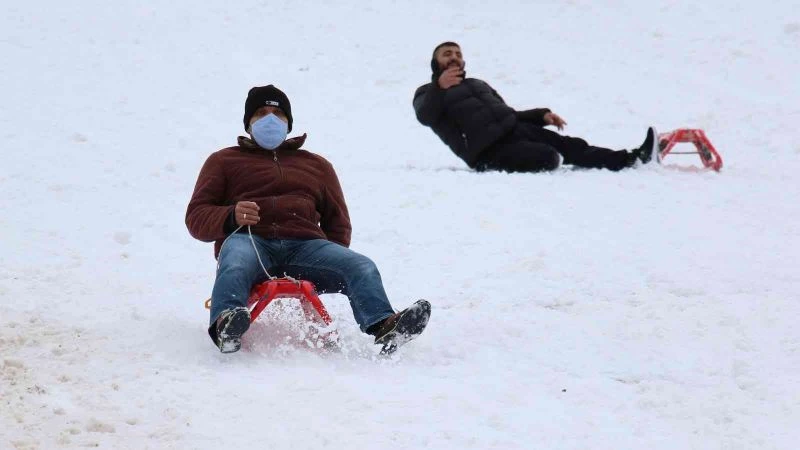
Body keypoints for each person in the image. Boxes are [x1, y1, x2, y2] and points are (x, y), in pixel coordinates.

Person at [186, 85, 431, 354]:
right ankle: (226, 323)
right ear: (248, 123)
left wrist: (329, 259)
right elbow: (196, 217)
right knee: (235, 262)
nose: (270, 119)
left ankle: (384, 324)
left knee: (361, 266)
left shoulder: (317, 166)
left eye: (278, 113)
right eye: (261, 113)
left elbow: (338, 224)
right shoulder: (223, 161)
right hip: (250, 241)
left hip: (305, 247)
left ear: (288, 123)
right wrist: (230, 216)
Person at [413, 41, 659, 173]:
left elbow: (508, 115)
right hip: (486, 153)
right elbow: (425, 116)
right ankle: (537, 159)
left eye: (457, 53)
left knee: (571, 146)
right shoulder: (426, 92)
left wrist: (541, 116)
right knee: (547, 157)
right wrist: (439, 87)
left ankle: (632, 159)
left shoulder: (479, 84)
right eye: (446, 53)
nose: (453, 56)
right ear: (435, 62)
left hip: (516, 130)